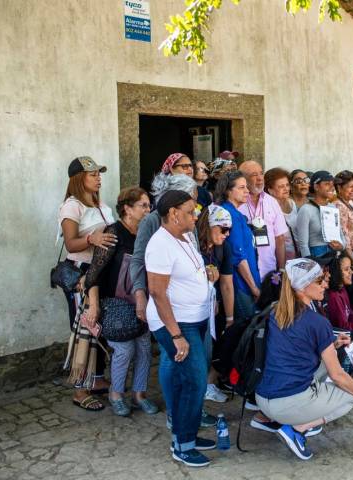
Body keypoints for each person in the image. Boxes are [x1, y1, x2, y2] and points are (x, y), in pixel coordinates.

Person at [256, 258, 353, 461]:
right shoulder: (317, 321)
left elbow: (296, 346)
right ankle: (298, 429)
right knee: (350, 396)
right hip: (286, 404)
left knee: (329, 365)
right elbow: (337, 376)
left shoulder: (277, 311)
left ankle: (290, 420)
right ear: (302, 286)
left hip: (263, 397)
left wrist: (332, 344)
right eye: (319, 281)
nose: (326, 284)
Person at [128, 174, 218, 427]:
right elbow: (138, 260)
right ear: (174, 207)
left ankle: (190, 411)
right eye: (190, 202)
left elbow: (193, 258)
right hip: (170, 307)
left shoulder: (187, 229)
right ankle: (177, 415)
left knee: (194, 365)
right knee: (175, 360)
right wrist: (140, 294)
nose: (196, 208)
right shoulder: (152, 223)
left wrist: (206, 274)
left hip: (195, 309)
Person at [145, 190, 216, 467]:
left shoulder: (184, 236)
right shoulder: (159, 243)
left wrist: (206, 273)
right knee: (195, 380)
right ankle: (182, 445)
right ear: (173, 213)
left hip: (195, 318)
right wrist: (175, 335)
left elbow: (186, 272)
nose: (196, 214)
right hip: (175, 322)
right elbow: (158, 292)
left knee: (188, 378)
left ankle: (188, 432)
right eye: (190, 210)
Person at [83, 187, 157, 416]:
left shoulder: (147, 233)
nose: (148, 210)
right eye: (143, 205)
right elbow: (93, 274)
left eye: (148, 205)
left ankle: (139, 394)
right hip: (113, 302)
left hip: (141, 299)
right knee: (124, 350)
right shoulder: (113, 233)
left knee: (144, 347)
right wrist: (94, 306)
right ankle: (116, 394)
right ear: (127, 209)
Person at [58, 156, 115, 411]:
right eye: (92, 174)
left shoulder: (101, 204)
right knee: (84, 327)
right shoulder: (72, 206)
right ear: (79, 179)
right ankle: (80, 389)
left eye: (99, 173)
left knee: (99, 323)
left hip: (101, 271)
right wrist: (92, 238)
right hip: (82, 273)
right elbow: (71, 243)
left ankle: (97, 378)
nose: (98, 177)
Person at [196, 205, 235, 403]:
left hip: (213, 307)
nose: (227, 234)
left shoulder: (222, 247)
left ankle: (208, 386)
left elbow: (227, 284)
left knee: (213, 347)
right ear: (208, 226)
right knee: (199, 350)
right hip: (192, 308)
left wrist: (230, 318)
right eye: (223, 229)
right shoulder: (192, 245)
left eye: (230, 229)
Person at [215, 171, 261, 325]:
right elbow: (237, 256)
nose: (247, 191)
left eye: (246, 187)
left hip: (245, 281)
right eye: (242, 188)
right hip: (240, 284)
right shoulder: (228, 214)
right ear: (228, 190)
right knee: (244, 331)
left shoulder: (236, 213)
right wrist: (253, 288)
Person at [238, 161, 288, 279]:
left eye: (261, 173)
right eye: (254, 175)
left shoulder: (271, 202)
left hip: (269, 270)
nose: (260, 178)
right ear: (242, 179)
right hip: (243, 272)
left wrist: (281, 269)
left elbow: (279, 238)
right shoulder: (237, 203)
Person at [295, 171, 345, 258]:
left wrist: (341, 246)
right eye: (327, 184)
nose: (332, 187)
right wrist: (310, 265)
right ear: (316, 187)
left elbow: (340, 234)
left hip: (333, 255)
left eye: (332, 184)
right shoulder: (306, 210)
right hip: (315, 256)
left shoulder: (332, 207)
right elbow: (303, 244)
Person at [266, 168, 299, 261]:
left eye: (287, 185)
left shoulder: (292, 203)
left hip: (298, 254)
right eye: (281, 186)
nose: (286, 189)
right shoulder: (269, 208)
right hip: (281, 256)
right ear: (270, 190)